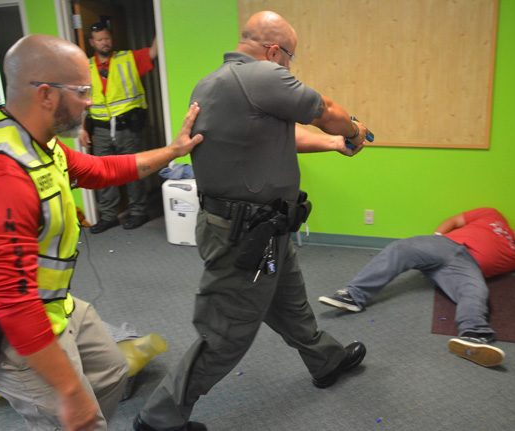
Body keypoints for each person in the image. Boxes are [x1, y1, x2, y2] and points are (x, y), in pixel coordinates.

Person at [0, 34, 203, 431]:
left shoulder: (37, 143)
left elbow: (101, 171)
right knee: (79, 419)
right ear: (46, 94)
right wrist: (68, 391)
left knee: (113, 373)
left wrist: (172, 151)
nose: (91, 101)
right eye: (82, 91)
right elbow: (13, 303)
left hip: (50, 302)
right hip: (0, 322)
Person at [133, 11, 371, 431]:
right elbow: (327, 109)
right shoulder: (264, 76)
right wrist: (352, 130)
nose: (289, 67)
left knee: (289, 301)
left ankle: (326, 360)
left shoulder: (217, 83)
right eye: (290, 58)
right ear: (274, 50)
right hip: (245, 237)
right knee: (225, 333)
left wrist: (332, 143)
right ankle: (159, 418)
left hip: (263, 230)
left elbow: (280, 136)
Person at [319, 207, 515, 368]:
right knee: (400, 248)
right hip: (446, 245)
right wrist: (438, 236)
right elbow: (458, 220)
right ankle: (354, 296)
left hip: (466, 268)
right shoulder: (494, 216)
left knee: (477, 292)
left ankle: (474, 337)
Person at [79, 21, 159, 233]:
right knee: (103, 173)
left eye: (107, 38)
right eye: (99, 40)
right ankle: (108, 216)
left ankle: (138, 212)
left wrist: (163, 23)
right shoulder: (84, 67)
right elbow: (81, 100)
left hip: (128, 129)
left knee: (132, 171)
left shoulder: (128, 59)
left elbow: (153, 51)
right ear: (91, 42)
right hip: (101, 130)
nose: (104, 43)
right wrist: (81, 128)